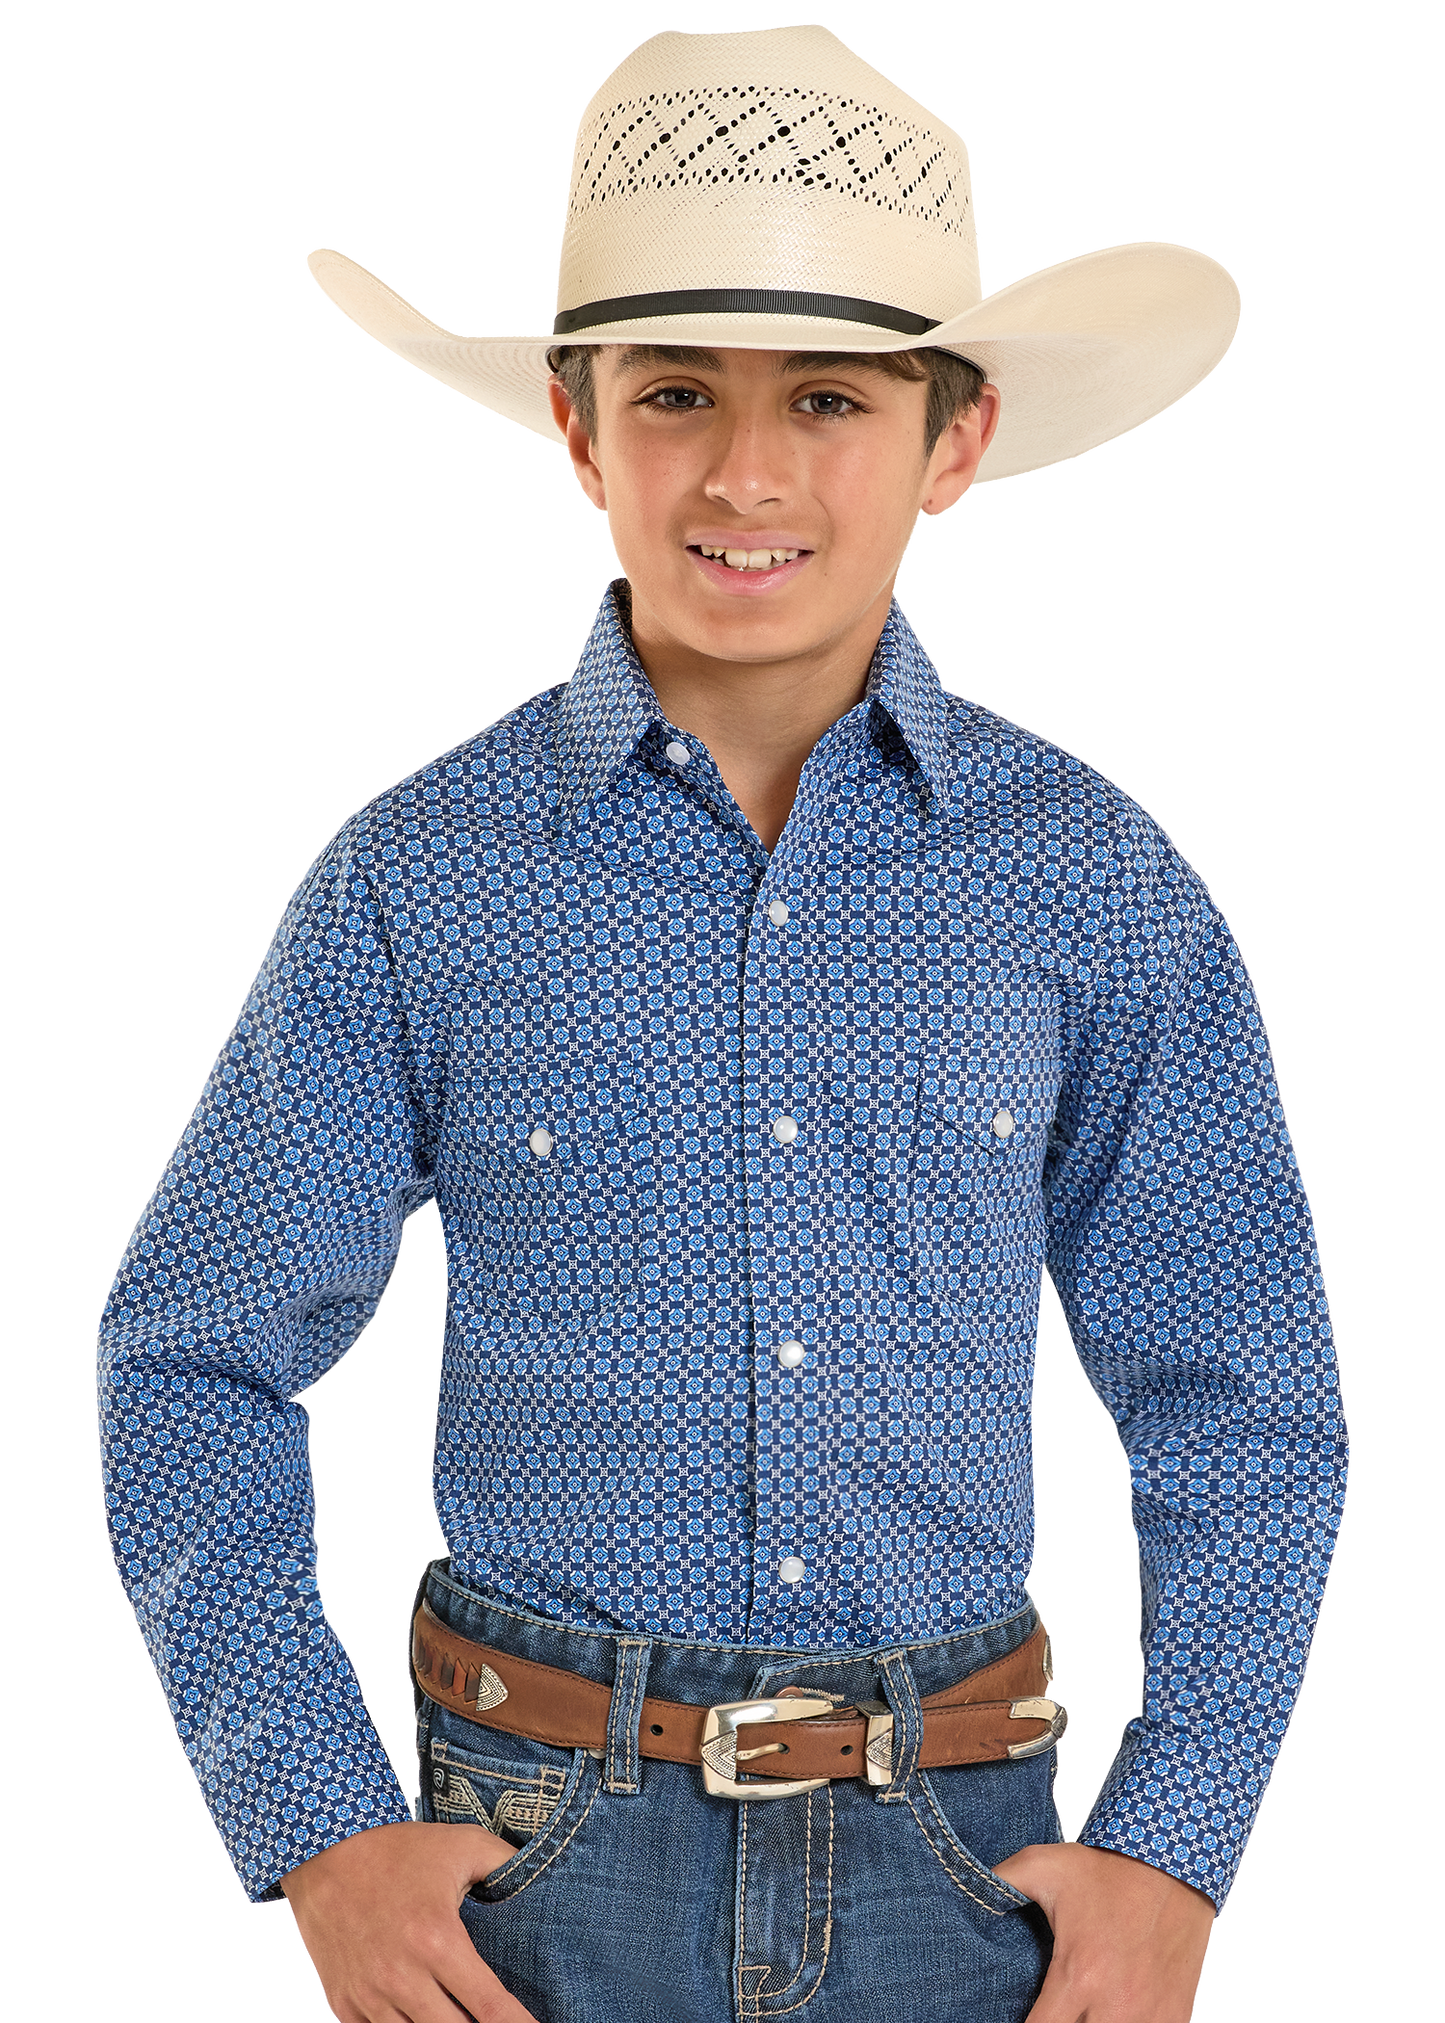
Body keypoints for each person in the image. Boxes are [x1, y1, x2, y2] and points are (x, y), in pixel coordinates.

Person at [94, 23, 1347, 2023]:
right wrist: (314, 1819)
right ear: (578, 432)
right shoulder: (411, 880)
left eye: (826, 399)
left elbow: (1244, 1390)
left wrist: (1175, 1847)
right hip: (526, 1854)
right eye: (674, 392)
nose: (745, 472)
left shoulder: (1094, 883)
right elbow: (187, 1359)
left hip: (973, 1862)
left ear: (953, 441)